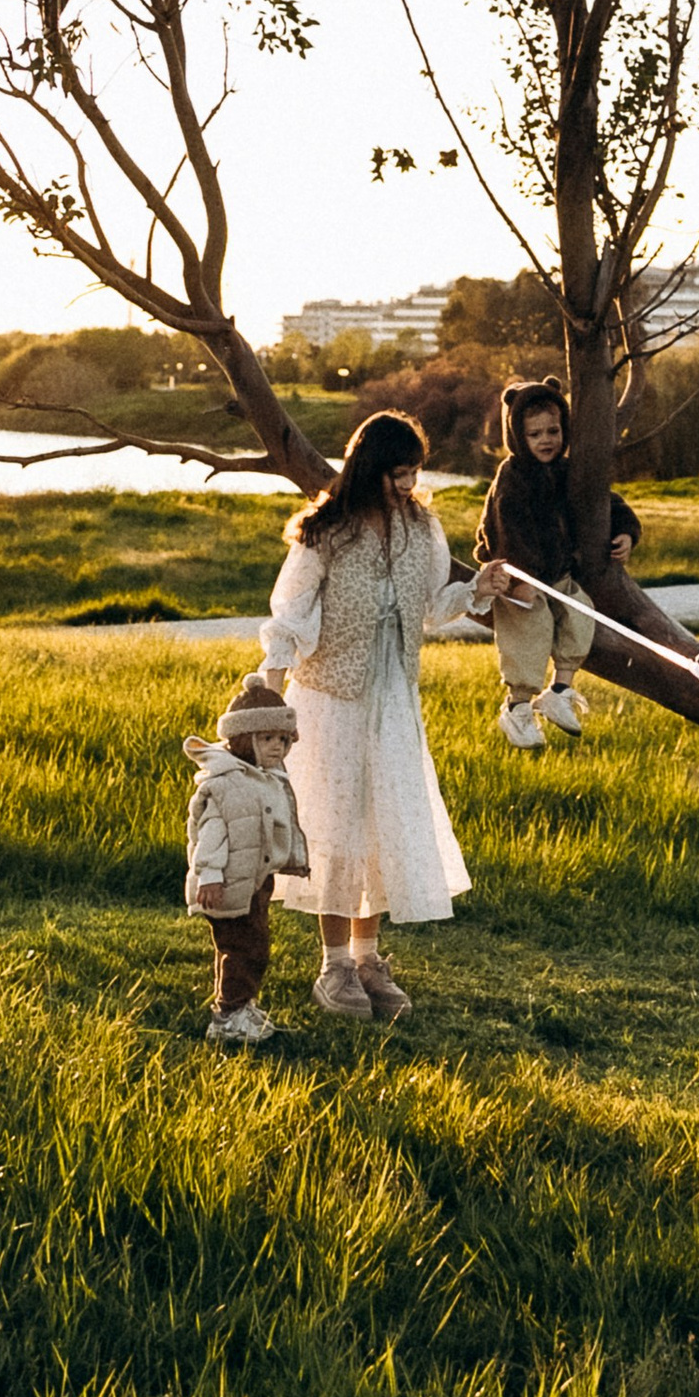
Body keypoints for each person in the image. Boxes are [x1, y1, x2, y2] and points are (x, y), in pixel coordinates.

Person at [259, 411, 478, 1020]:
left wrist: (477, 591)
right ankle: (333, 965)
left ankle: (367, 957)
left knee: (381, 823)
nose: (408, 486)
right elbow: (291, 613)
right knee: (337, 825)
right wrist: (269, 686)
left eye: (414, 474)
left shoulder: (422, 529)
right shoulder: (326, 531)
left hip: (393, 698)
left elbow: (433, 606)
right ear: (369, 469)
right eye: (397, 474)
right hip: (332, 696)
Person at [466, 375, 644, 749]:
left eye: (553, 431)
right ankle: (517, 709)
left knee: (581, 614)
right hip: (519, 576)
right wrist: (521, 578)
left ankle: (560, 692)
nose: (546, 441)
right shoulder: (513, 477)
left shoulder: (567, 470)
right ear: (518, 436)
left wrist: (626, 531)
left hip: (559, 575)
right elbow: (508, 528)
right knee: (529, 632)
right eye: (534, 435)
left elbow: (605, 500)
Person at [182, 672, 311, 1047]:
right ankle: (228, 1016)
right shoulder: (227, 783)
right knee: (243, 948)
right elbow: (211, 834)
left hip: (251, 881)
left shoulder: (261, 777)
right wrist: (210, 875)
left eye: (283, 740)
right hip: (224, 884)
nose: (277, 747)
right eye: (267, 739)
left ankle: (240, 1007)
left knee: (252, 945)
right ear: (243, 739)